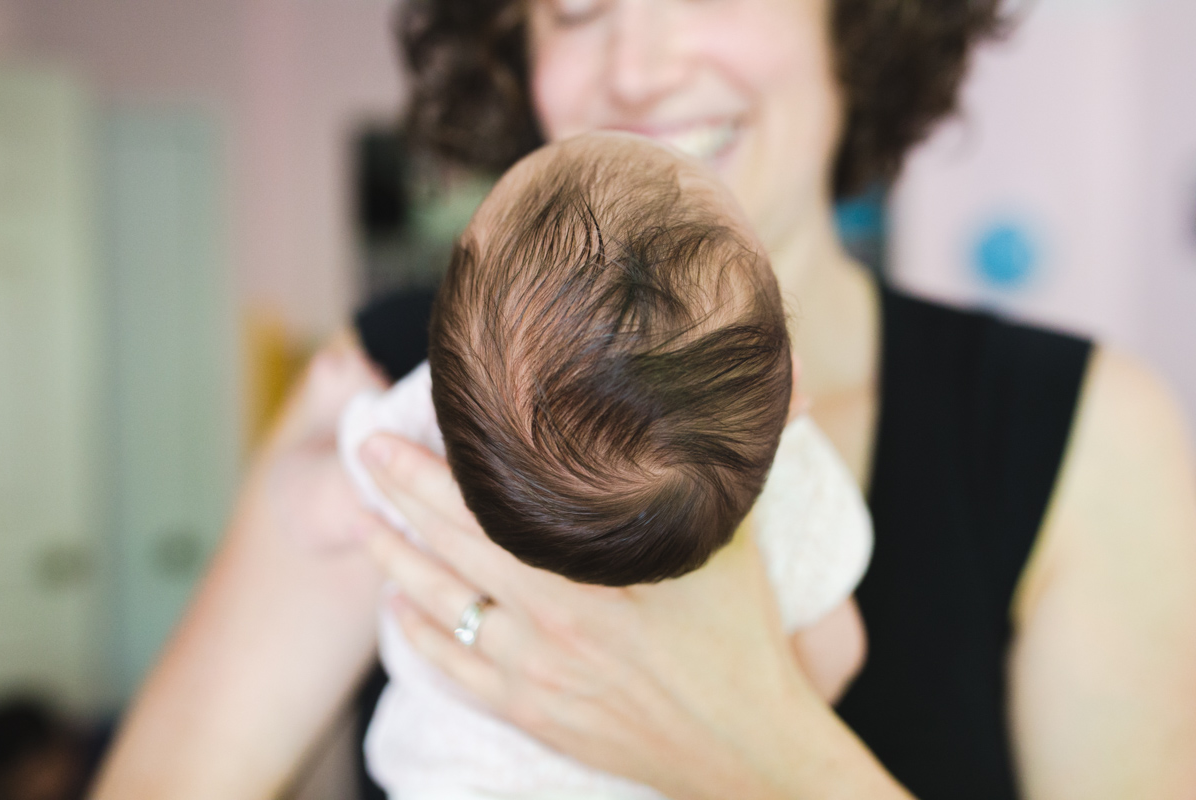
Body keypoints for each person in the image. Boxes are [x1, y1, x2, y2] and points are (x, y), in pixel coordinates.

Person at [91, 1, 1196, 798]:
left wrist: (750, 744)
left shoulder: (1079, 429)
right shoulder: (397, 376)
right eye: (574, 5)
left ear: (856, 22)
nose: (640, 62)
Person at [337, 132, 871, 797]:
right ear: (790, 387)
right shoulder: (797, 489)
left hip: (457, 775)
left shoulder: (418, 424)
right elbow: (838, 652)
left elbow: (366, 461)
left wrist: (344, 414)